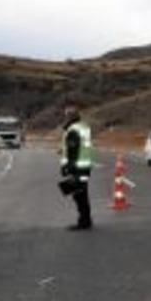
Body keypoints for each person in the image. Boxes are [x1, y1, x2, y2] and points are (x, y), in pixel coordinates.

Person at [60, 99, 94, 231]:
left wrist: (67, 166)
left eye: (67, 115)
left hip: (78, 167)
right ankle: (86, 220)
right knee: (81, 193)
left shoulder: (73, 129)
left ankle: (84, 222)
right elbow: (82, 147)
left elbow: (73, 150)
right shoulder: (83, 126)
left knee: (79, 195)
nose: (66, 117)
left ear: (70, 116)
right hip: (85, 166)